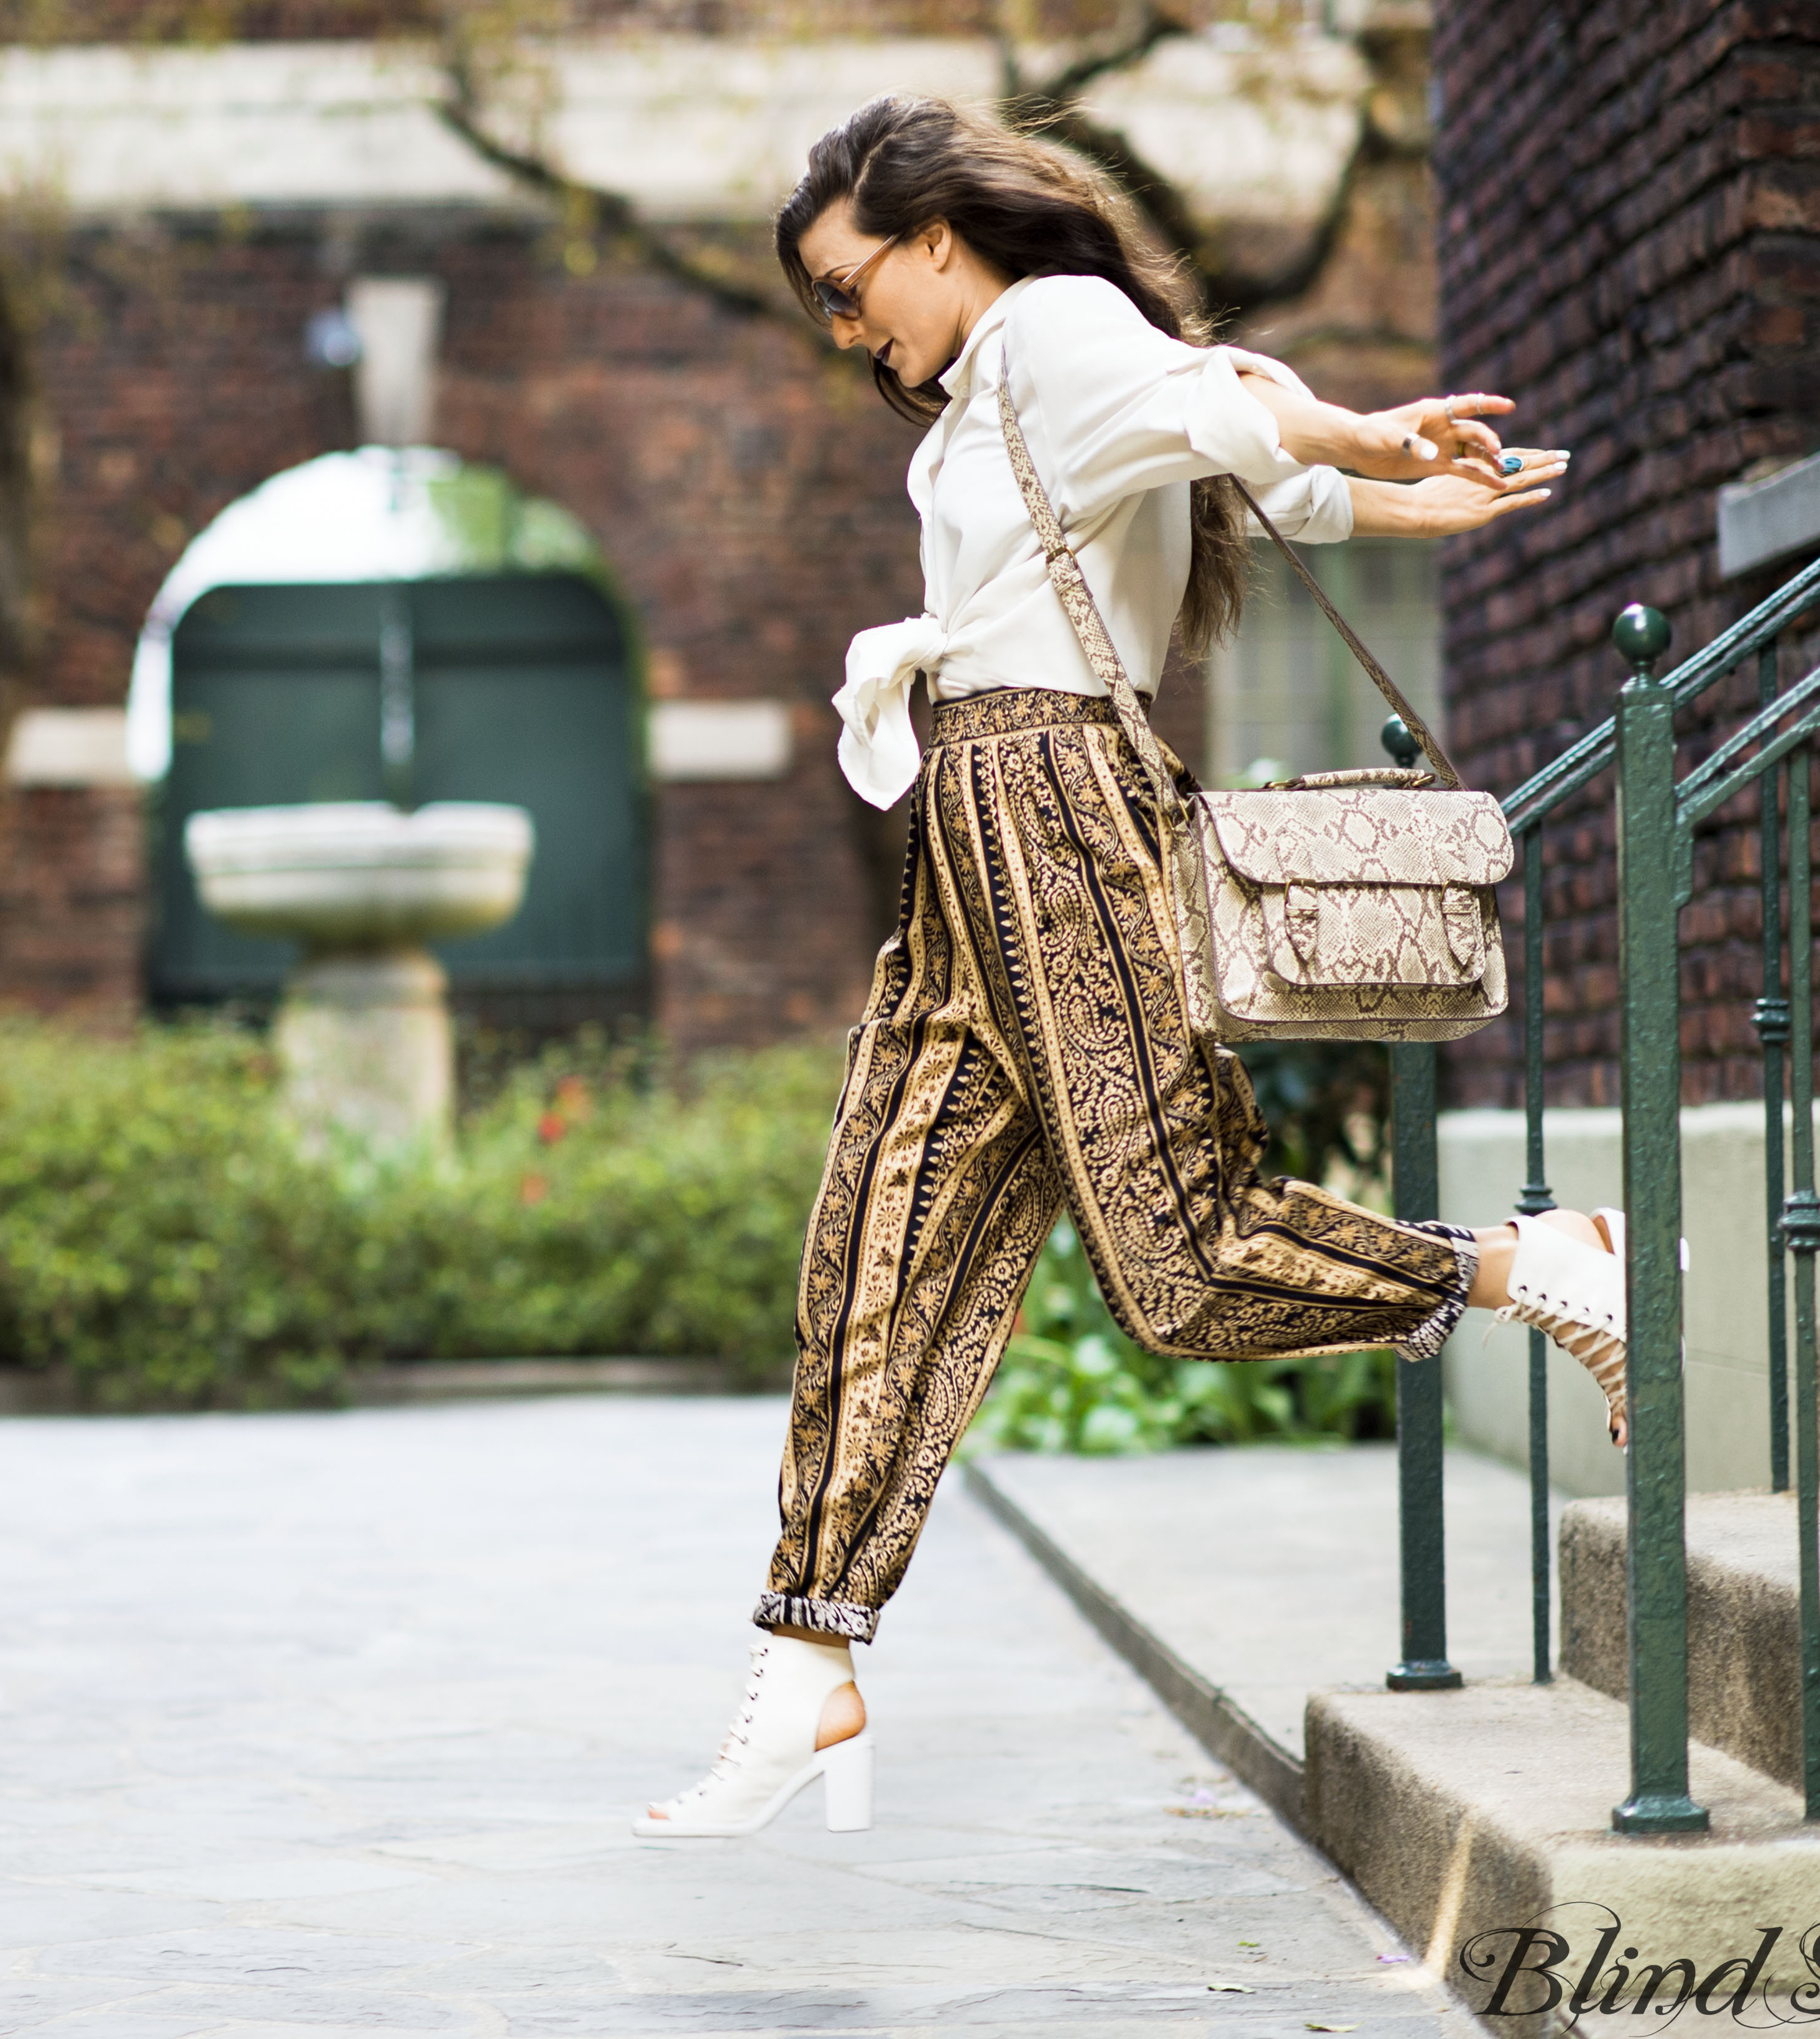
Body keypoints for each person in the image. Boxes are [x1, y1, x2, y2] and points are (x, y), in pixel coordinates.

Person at [632, 96, 1634, 1843]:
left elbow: (1227, 404)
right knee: (874, 1252)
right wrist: (1387, 495)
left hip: (1062, 821)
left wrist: (1382, 444)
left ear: (935, 238)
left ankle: (1529, 1264)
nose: (845, 331)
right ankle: (810, 1672)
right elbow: (1248, 476)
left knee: (1177, 1263)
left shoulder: (1047, 331)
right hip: (966, 845)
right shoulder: (994, 397)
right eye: (824, 309)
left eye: (848, 290)